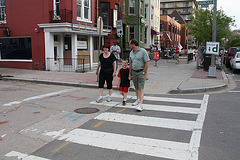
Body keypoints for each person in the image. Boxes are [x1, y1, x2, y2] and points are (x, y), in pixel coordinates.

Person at [128, 39, 150, 111]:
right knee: (136, 87)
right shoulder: (131, 53)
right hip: (134, 72)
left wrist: (144, 71)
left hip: (141, 71)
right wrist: (130, 74)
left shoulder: (143, 51)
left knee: (141, 87)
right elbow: (131, 64)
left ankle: (140, 104)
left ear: (133, 44)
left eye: (130, 44)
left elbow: (147, 62)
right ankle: (137, 99)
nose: (129, 45)